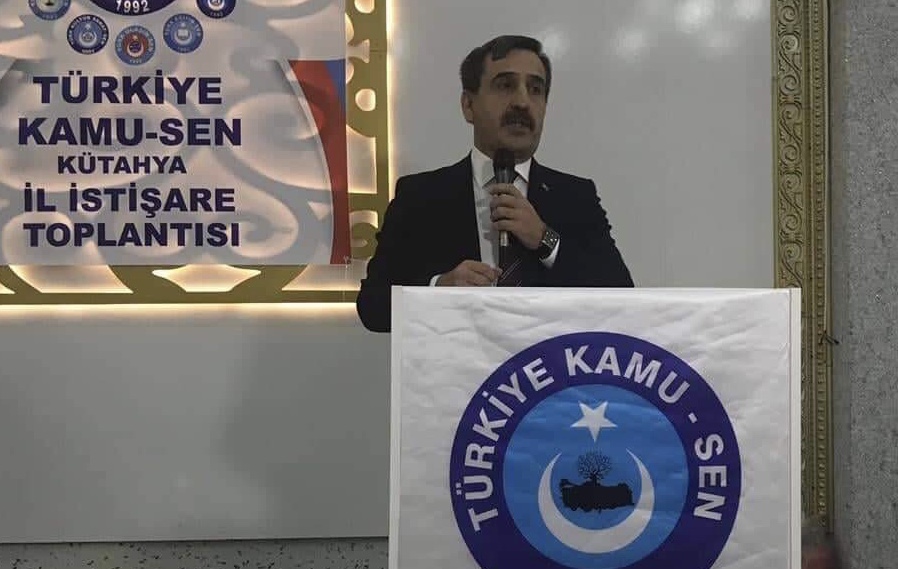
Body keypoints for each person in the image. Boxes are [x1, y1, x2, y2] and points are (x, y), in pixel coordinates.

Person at [356, 34, 633, 333]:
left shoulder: (576, 196)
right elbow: (373, 307)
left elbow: (622, 296)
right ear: (468, 105)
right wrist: (438, 289)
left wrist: (545, 239)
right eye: (505, 85)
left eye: (535, 89)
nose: (522, 102)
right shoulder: (420, 196)